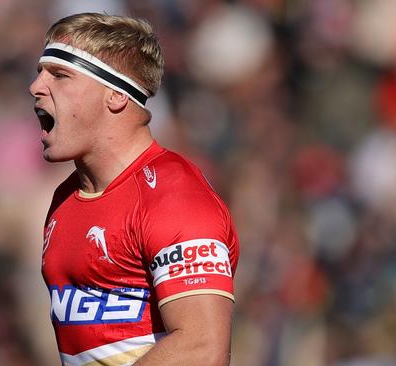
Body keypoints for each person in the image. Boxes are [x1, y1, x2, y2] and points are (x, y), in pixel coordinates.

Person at [29, 12, 239, 366]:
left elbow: (202, 349)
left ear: (115, 95)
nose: (36, 86)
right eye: (40, 72)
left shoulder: (173, 196)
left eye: (60, 75)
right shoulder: (65, 198)